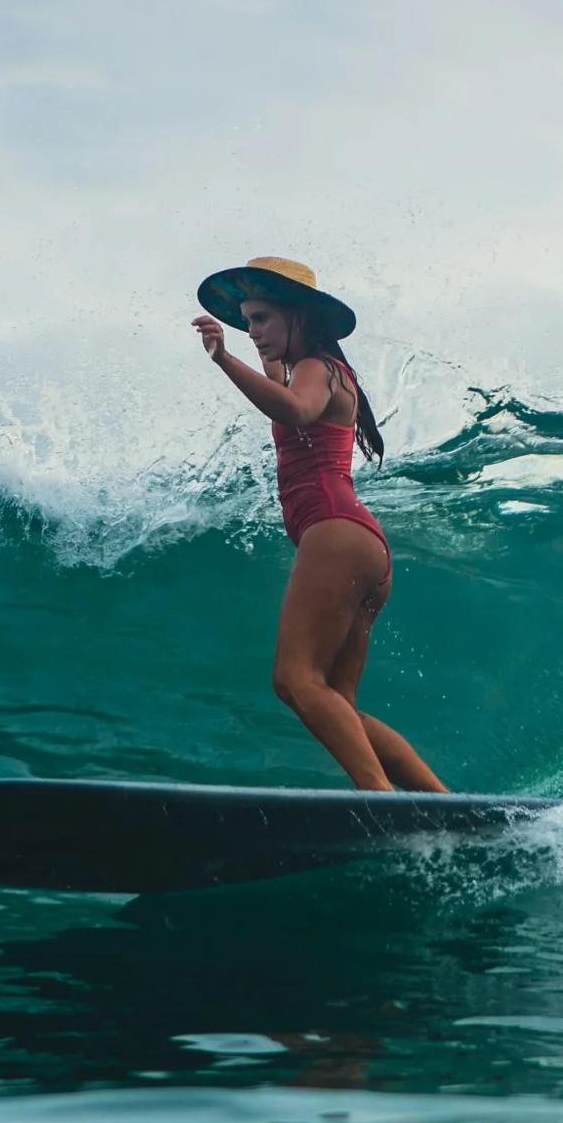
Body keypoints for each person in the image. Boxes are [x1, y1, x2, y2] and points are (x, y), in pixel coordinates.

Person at [193, 258, 449, 794]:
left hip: (335, 533)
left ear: (301, 317)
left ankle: (379, 801)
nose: (253, 332)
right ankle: (440, 803)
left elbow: (293, 410)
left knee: (294, 679)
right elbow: (278, 389)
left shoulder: (317, 367)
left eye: (261, 318)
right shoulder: (323, 368)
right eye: (246, 321)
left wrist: (223, 359)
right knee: (338, 700)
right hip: (363, 545)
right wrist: (251, 358)